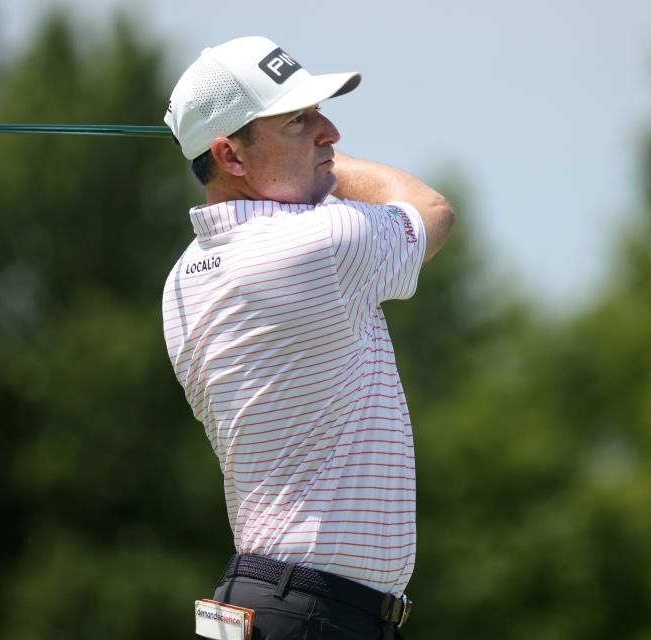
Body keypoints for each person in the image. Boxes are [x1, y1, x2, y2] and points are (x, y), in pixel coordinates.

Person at [161, 36, 454, 640]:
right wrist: (328, 173)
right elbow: (431, 208)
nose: (331, 132)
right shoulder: (319, 244)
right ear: (231, 156)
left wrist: (294, 158)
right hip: (312, 615)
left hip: (263, 605)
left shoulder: (181, 281)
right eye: (299, 120)